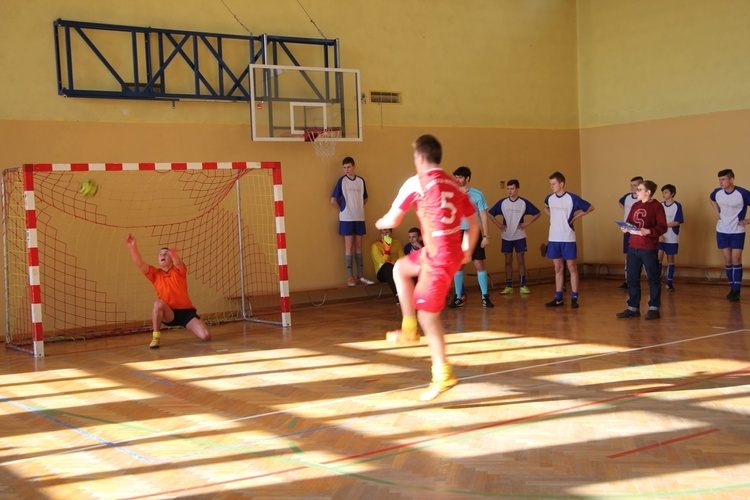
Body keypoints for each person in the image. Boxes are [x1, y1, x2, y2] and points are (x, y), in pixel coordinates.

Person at [376, 134, 478, 401]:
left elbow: (394, 218)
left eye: (414, 157)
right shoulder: (454, 185)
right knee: (400, 268)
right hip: (445, 250)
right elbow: (474, 222)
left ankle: (443, 374)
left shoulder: (416, 182)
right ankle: (408, 328)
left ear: (420, 158)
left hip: (439, 257)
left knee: (429, 318)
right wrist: (467, 249)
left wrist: (380, 222)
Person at [125, 234, 210, 348]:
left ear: (171, 258)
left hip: (186, 313)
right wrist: (133, 247)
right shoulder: (155, 274)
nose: (162, 255)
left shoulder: (179, 271)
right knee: (158, 303)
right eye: (160, 254)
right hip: (169, 313)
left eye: (166, 253)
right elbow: (139, 263)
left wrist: (174, 254)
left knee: (206, 336)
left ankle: (196, 323)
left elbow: (178, 263)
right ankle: (156, 337)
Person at [616, 180, 668, 320]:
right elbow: (629, 222)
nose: (636, 191)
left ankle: (654, 307)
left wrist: (648, 231)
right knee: (632, 278)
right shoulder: (635, 205)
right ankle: (632, 307)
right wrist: (625, 228)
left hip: (648, 247)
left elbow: (663, 227)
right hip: (633, 246)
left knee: (653, 278)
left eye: (639, 189)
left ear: (648, 192)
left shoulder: (656, 206)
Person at [543, 171, 595, 308]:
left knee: (572, 267)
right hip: (554, 237)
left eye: (553, 184)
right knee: (558, 267)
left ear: (561, 184)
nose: (551, 186)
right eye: (550, 184)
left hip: (568, 237)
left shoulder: (572, 198)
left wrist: (576, 217)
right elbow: (545, 208)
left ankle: (574, 297)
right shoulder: (549, 198)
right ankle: (558, 297)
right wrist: (552, 216)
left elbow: (590, 207)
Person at [448, 166, 493, 308]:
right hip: (458, 233)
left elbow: (484, 216)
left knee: (479, 264)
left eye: (460, 177)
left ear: (467, 178)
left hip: (473, 232)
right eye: (456, 177)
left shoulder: (477, 194)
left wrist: (486, 236)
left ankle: (485, 296)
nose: (457, 180)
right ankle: (458, 296)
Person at [488, 179, 541, 295]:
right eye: (508, 189)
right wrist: (498, 224)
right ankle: (509, 285)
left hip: (520, 235)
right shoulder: (503, 203)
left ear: (517, 189)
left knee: (521, 260)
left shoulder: (523, 203)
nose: (509, 191)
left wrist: (527, 223)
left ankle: (523, 285)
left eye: (512, 189)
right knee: (508, 261)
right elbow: (490, 213)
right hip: (506, 235)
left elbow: (538, 213)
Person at [330, 156, 375, 287]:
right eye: (344, 168)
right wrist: (342, 211)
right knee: (349, 246)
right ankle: (350, 277)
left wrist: (358, 208)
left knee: (359, 245)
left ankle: (361, 275)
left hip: (359, 217)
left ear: (354, 166)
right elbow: (333, 200)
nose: (347, 170)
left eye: (349, 167)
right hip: (346, 219)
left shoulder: (361, 181)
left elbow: (365, 199)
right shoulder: (342, 181)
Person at [709, 169, 750, 302]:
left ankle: (737, 290)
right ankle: (732, 287)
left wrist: (747, 221)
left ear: (731, 180)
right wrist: (718, 213)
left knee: (736, 259)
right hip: (722, 230)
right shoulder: (717, 192)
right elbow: (711, 199)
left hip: (737, 231)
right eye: (719, 179)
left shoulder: (742, 193)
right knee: (728, 260)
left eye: (724, 179)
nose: (721, 182)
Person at [618, 176, 644, 288]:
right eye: (631, 185)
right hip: (627, 228)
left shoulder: (642, 198)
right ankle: (627, 279)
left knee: (639, 254)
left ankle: (637, 278)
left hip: (638, 230)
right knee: (628, 255)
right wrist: (626, 213)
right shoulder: (627, 197)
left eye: (635, 185)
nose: (632, 187)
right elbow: (620, 202)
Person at [658, 184, 684, 291]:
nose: (664, 194)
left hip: (672, 236)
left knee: (670, 258)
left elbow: (677, 221)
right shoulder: (659, 205)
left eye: (666, 192)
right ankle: (657, 279)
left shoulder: (677, 206)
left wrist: (665, 225)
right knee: (659, 256)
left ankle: (669, 281)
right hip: (661, 235)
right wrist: (659, 233)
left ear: (672, 193)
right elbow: (656, 221)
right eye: (663, 192)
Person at [370, 228, 405, 304]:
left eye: (387, 232)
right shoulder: (376, 246)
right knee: (387, 266)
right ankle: (398, 295)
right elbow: (382, 262)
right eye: (382, 233)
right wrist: (387, 249)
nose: (385, 235)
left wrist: (394, 264)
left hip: (397, 269)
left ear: (391, 233)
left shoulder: (397, 243)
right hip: (383, 272)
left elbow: (402, 259)